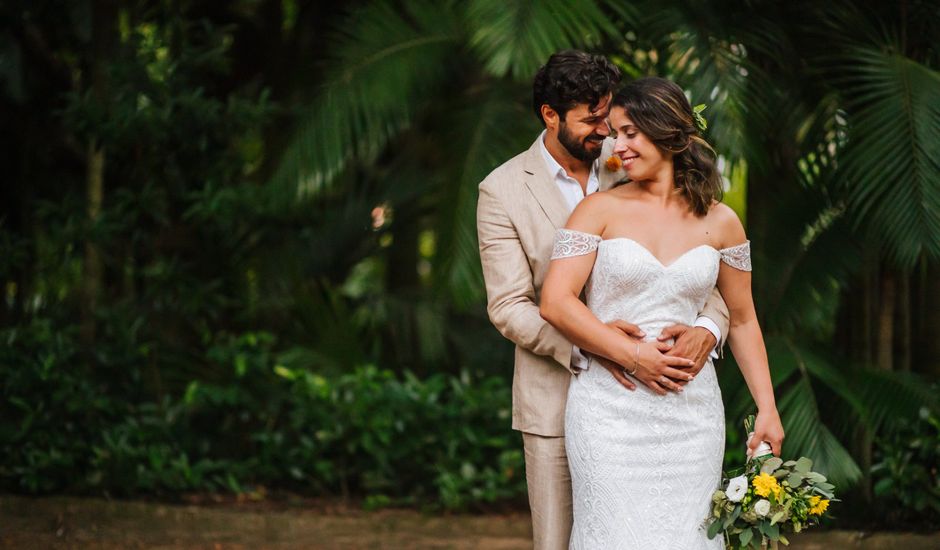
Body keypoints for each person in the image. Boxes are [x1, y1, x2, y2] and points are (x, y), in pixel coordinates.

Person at [476, 51, 731, 550]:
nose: (608, 135)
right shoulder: (502, 191)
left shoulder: (636, 164)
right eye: (592, 121)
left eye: (610, 118)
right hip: (556, 394)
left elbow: (712, 273)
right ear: (550, 115)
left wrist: (708, 329)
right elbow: (508, 305)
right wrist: (598, 346)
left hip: (662, 402)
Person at [539, 76, 785, 549]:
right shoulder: (597, 210)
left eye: (630, 132)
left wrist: (768, 409)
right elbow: (556, 301)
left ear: (667, 132)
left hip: (691, 417)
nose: (617, 145)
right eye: (614, 133)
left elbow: (744, 318)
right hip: (609, 410)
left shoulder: (721, 221)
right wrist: (633, 355)